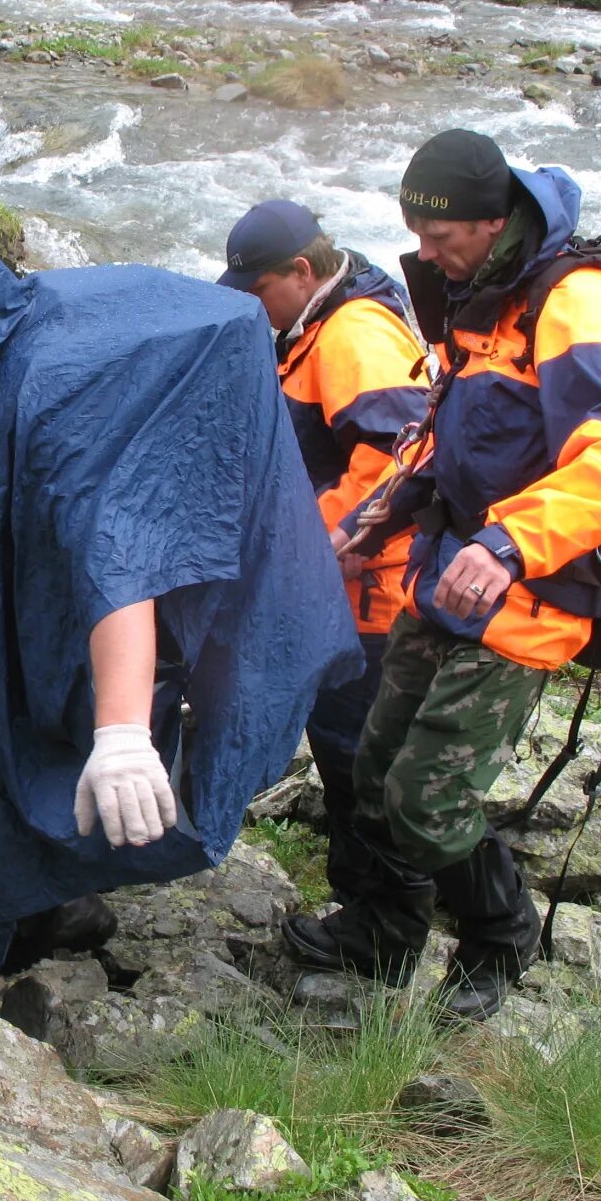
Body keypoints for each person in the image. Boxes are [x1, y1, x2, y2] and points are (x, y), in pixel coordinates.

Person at [0, 181, 361, 1016]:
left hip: (30, 638)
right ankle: (51, 918)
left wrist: (121, 733)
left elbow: (117, 554)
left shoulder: (43, 382)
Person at [281, 129, 601, 1021]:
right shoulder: (480, 293)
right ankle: (384, 933)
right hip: (441, 575)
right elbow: (444, 433)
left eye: (438, 232)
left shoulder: (575, 302)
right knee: (374, 773)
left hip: (526, 599)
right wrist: (371, 523)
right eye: (413, 231)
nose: (422, 251)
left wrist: (507, 545)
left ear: (494, 221)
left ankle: (501, 939)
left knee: (425, 798)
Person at [218, 201, 428, 903]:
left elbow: (399, 464)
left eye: (258, 292)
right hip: (345, 587)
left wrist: (314, 542)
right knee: (348, 753)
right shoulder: (322, 322)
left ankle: (377, 927)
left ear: (301, 271)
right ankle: (366, 908)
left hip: (370, 597)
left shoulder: (353, 338)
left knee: (355, 756)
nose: (254, 307)